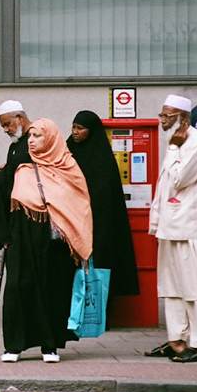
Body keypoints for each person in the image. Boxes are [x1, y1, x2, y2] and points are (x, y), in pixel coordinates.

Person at [0, 118, 93, 363]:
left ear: (51, 138)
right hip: (24, 238)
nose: (32, 140)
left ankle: (49, 346)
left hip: (56, 243)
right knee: (18, 287)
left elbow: (80, 203)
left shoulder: (68, 167)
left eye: (38, 136)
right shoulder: (22, 169)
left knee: (52, 291)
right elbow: (8, 202)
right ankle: (14, 345)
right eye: (31, 136)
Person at [145, 95, 197, 363]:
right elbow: (163, 188)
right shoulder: (176, 142)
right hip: (169, 226)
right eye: (161, 115)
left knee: (194, 287)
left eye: (167, 116)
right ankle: (177, 338)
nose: (162, 120)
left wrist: (174, 149)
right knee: (171, 288)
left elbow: (180, 179)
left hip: (190, 226)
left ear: (181, 117)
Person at [67, 110, 139, 299]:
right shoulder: (67, 151)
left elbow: (105, 194)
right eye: (73, 127)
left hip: (97, 223)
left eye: (80, 128)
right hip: (72, 221)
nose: (75, 132)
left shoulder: (102, 159)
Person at [0, 100, 33, 248]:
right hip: (14, 218)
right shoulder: (16, 144)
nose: (6, 130)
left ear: (19, 118)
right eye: (3, 126)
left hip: (29, 217)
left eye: (7, 124)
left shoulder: (35, 141)